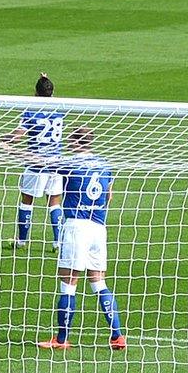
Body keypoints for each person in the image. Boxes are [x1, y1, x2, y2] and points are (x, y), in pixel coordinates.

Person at [38, 126, 125, 352]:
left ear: (75, 142)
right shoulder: (105, 165)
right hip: (99, 228)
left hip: (76, 226)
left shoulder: (69, 164)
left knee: (68, 285)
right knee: (98, 282)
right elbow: (109, 196)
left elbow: (39, 163)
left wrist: (8, 149)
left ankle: (61, 338)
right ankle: (117, 336)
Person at [2, 73, 65, 248]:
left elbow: (18, 136)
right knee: (54, 202)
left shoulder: (31, 110)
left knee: (27, 200)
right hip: (56, 163)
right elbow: (49, 93)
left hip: (35, 163)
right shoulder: (59, 108)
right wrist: (46, 81)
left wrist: (4, 139)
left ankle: (21, 240)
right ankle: (57, 241)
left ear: (35, 93)